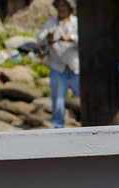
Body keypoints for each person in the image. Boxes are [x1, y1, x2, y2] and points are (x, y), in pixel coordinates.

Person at [37, 0, 80, 128]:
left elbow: (85, 39)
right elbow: (40, 40)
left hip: (75, 66)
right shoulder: (50, 24)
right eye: (59, 6)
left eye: (63, 6)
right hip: (57, 67)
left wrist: (70, 38)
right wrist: (48, 37)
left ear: (69, 8)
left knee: (85, 97)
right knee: (58, 100)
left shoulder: (76, 23)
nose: (61, 8)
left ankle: (92, 125)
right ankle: (58, 127)